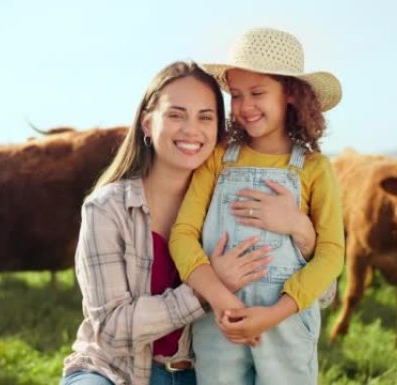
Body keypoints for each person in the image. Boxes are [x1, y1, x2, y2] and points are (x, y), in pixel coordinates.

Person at [61, 61, 317, 385]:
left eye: (205, 117)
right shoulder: (108, 208)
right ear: (147, 124)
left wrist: (301, 231)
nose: (191, 130)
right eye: (176, 114)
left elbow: (321, 292)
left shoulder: (230, 200)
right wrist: (205, 290)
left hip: (201, 375)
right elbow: (112, 329)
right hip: (115, 371)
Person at [169, 27, 345, 385]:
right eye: (236, 95)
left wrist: (276, 312)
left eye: (258, 93)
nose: (244, 106)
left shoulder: (314, 168)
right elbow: (183, 235)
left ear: (291, 95)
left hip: (287, 321)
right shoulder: (217, 160)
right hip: (220, 319)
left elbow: (331, 254)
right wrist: (221, 300)